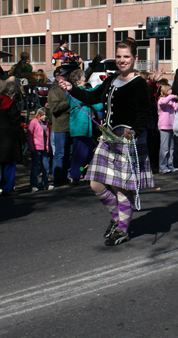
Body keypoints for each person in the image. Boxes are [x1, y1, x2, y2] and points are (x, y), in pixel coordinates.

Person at [60, 38, 154, 246]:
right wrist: (71, 88)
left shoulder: (139, 84)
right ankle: (117, 218)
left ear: (134, 58)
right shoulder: (111, 80)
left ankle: (122, 230)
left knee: (121, 188)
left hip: (126, 138)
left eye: (126, 57)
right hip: (108, 136)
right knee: (95, 183)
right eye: (119, 56)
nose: (122, 60)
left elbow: (145, 112)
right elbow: (92, 96)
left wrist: (135, 130)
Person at [0, 80, 26, 195]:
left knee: (1, 163)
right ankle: (8, 188)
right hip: (10, 139)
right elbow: (16, 123)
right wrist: (23, 138)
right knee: (10, 165)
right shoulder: (10, 104)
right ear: (13, 93)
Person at [67, 69, 101, 184]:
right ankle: (75, 175)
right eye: (83, 79)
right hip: (79, 129)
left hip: (87, 130)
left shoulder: (84, 92)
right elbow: (89, 96)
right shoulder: (74, 93)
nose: (85, 80)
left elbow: (96, 101)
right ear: (77, 82)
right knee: (79, 154)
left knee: (87, 155)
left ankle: (85, 173)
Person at [48, 65, 74, 189]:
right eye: (63, 76)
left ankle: (67, 175)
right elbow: (54, 109)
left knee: (70, 153)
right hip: (59, 128)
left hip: (71, 126)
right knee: (60, 154)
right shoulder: (54, 91)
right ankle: (58, 177)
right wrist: (68, 100)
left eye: (66, 75)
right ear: (57, 77)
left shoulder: (69, 88)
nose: (66, 77)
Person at [156, 84, 178, 174]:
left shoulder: (171, 100)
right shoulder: (162, 100)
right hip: (164, 126)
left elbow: (176, 108)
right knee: (164, 147)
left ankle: (170, 165)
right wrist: (172, 96)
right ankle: (162, 166)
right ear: (165, 91)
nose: (171, 91)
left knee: (171, 148)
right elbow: (163, 103)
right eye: (169, 89)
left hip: (171, 126)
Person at [27, 108, 51, 192]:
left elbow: (47, 136)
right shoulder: (33, 122)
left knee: (46, 167)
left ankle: (45, 183)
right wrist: (31, 147)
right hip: (36, 148)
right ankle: (34, 184)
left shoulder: (46, 123)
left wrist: (48, 146)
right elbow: (30, 135)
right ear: (38, 115)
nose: (45, 116)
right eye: (43, 115)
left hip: (44, 147)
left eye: (45, 114)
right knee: (35, 167)